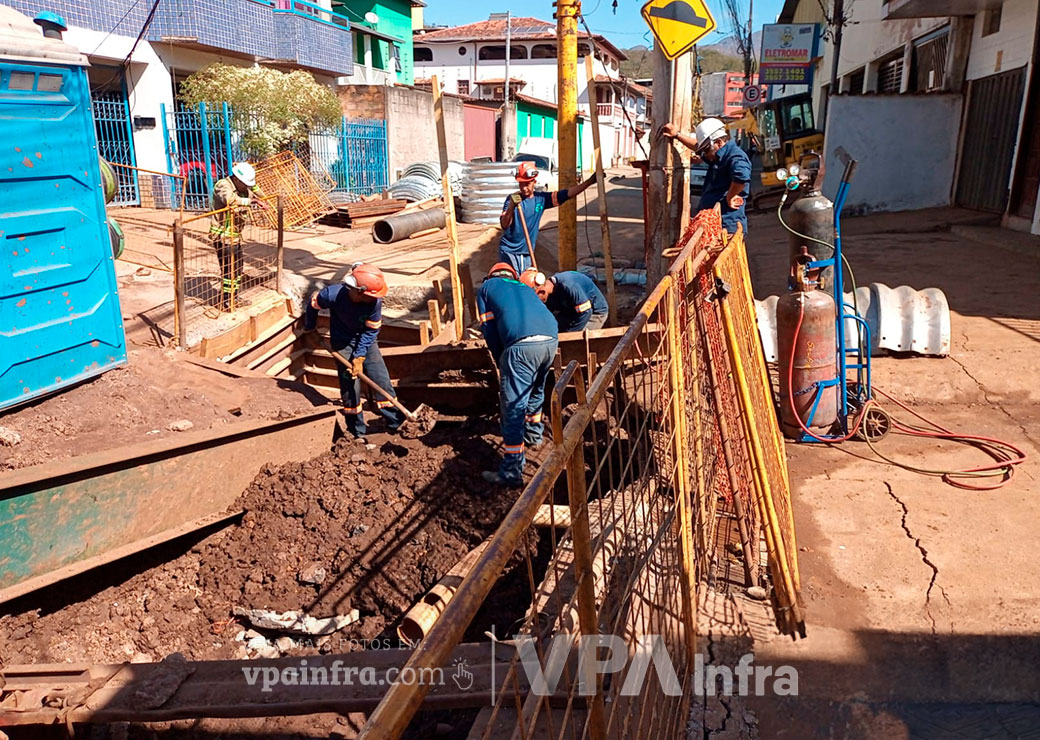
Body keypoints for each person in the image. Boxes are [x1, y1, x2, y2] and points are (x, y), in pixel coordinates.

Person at [477, 262, 559, 487]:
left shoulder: (486, 288)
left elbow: (489, 329)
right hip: (550, 340)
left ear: (490, 276)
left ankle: (511, 471)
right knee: (536, 390)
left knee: (513, 408)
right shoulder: (524, 287)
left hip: (522, 345)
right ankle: (534, 435)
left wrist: (500, 358)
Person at [304, 262, 404, 441]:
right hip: (342, 343)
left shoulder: (374, 301)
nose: (373, 299)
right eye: (369, 296)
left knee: (381, 379)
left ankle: (396, 422)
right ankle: (356, 431)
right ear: (357, 291)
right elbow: (313, 305)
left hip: (366, 341)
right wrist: (310, 327)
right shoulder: (332, 295)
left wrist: (359, 356)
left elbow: (371, 331)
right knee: (350, 387)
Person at [498, 162, 598, 275]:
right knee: (513, 281)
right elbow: (504, 225)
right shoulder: (512, 199)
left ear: (534, 182)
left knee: (525, 281)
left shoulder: (541, 199)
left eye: (527, 184)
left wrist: (589, 182)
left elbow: (566, 194)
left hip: (526, 252)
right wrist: (511, 206)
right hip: (509, 251)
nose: (524, 188)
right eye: (521, 184)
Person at [661, 117, 752, 235]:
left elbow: (741, 178)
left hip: (727, 225)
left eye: (706, 150)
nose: (704, 154)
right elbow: (697, 146)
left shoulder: (736, 156)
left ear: (719, 142)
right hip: (714, 224)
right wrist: (677, 135)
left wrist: (730, 196)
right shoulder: (717, 155)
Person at [209, 162, 270, 311]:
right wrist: (253, 201)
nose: (247, 187)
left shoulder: (243, 189)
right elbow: (230, 200)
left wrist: (257, 192)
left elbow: (260, 194)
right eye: (245, 184)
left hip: (234, 236)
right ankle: (226, 301)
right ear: (236, 179)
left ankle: (233, 297)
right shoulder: (223, 185)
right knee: (229, 270)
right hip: (223, 236)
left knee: (237, 269)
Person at [520, 268, 608, 332]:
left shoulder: (570, 285)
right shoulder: (550, 290)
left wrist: (571, 334)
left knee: (575, 343)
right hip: (572, 311)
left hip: (593, 313)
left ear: (542, 292)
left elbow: (586, 312)